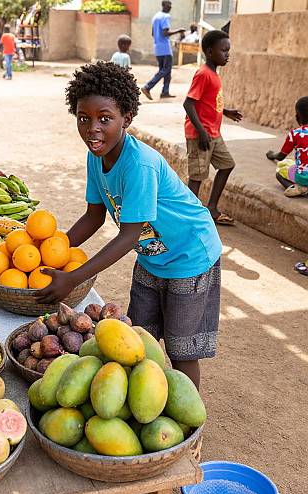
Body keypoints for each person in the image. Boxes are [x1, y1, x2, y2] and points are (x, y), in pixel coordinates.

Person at [36, 62, 222, 389]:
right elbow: (94, 216)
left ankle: (191, 429)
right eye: (84, 118)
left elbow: (128, 235)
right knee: (138, 339)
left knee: (181, 350)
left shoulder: (139, 164)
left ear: (127, 118)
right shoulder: (97, 156)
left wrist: (75, 278)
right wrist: (49, 253)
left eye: (104, 119)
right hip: (152, 257)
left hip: (190, 256)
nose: (93, 128)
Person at [183, 30, 242, 225]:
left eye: (228, 50)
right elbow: (189, 104)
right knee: (197, 176)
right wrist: (201, 132)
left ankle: (212, 207)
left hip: (214, 134)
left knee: (227, 165)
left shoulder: (214, 75)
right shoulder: (203, 74)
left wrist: (226, 112)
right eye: (223, 50)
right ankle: (187, 215)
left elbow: (208, 102)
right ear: (210, 51)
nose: (227, 54)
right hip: (200, 134)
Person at [141, 1, 184, 100]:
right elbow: (165, 33)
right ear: (163, 5)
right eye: (168, 5)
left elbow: (153, 33)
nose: (170, 7)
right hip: (165, 48)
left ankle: (165, 92)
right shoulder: (165, 16)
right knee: (165, 70)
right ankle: (148, 87)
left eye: (171, 6)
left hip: (157, 48)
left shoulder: (156, 16)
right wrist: (179, 30)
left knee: (166, 71)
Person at [266, 97, 308, 198]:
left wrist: (272, 155)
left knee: (279, 173)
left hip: (304, 178)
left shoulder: (295, 134)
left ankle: (299, 188)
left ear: (297, 117)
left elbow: (281, 156)